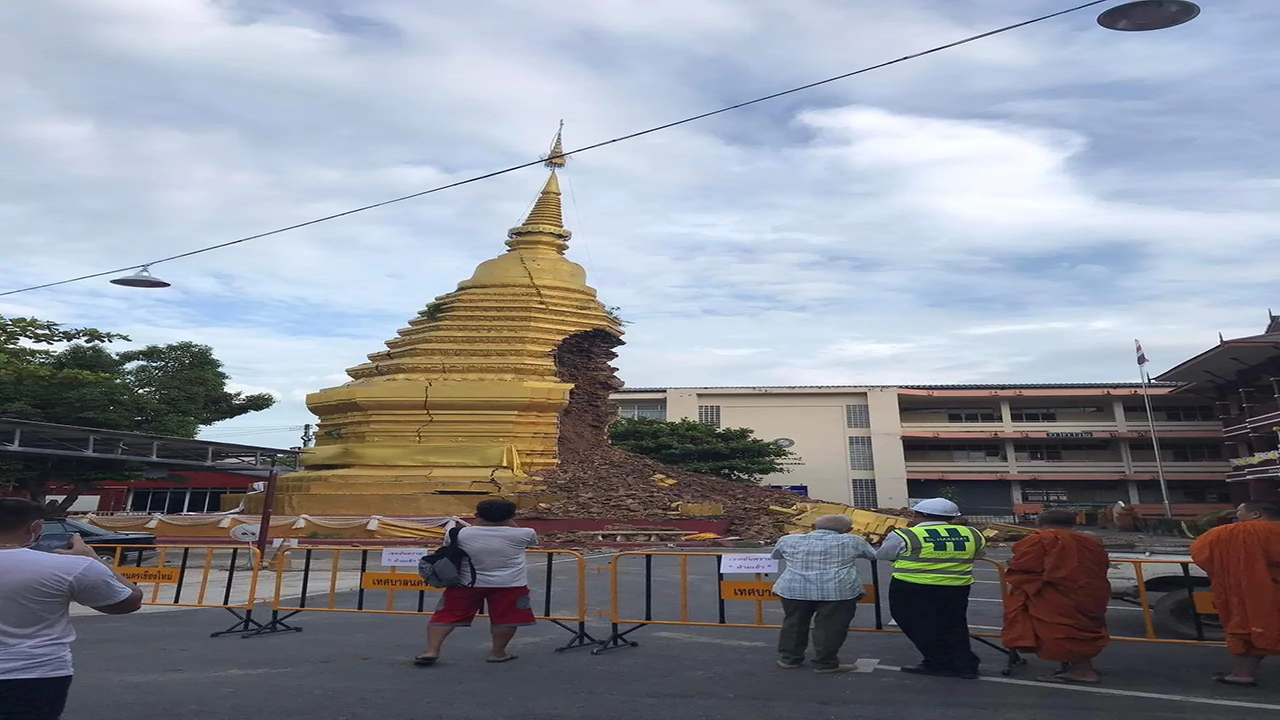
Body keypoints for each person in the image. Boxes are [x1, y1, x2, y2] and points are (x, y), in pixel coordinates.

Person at [0, 498, 143, 720]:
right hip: (35, 674)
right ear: (35, 527)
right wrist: (93, 559)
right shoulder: (70, 567)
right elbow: (128, 602)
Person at [416, 499, 539, 666]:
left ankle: (431, 650)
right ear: (511, 516)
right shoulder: (524, 533)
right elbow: (530, 542)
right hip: (510, 583)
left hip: (466, 583)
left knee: (447, 614)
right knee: (506, 618)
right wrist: (508, 520)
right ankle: (498, 653)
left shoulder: (458, 533)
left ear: (477, 515)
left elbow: (450, 546)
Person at [877, 497, 985, 679]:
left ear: (920, 515)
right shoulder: (973, 533)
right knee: (954, 625)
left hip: (912, 586)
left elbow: (883, 555)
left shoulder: (906, 535)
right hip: (956, 587)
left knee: (918, 625)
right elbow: (979, 553)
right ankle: (965, 664)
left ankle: (938, 662)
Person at [1001, 509, 1110, 684]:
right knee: (1082, 628)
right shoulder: (1091, 539)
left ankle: (1081, 671)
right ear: (1074, 523)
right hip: (1089, 592)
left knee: (1064, 631)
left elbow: (1024, 568)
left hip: (1056, 594)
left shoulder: (1039, 540)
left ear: (1039, 522)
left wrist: (1013, 566)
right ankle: (1081, 666)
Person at [770, 514, 878, 673]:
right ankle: (825, 663)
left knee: (794, 623)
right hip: (837, 591)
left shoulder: (788, 540)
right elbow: (873, 555)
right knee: (831, 627)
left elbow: (775, 556)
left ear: (813, 526)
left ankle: (789, 659)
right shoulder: (853, 541)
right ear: (849, 530)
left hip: (794, 589)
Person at [1190, 500, 1280, 688]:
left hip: (1256, 596)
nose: (1235, 515)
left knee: (1248, 632)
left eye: (1239, 511)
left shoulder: (1234, 533)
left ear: (1255, 514)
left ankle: (1242, 674)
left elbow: (1201, 553)